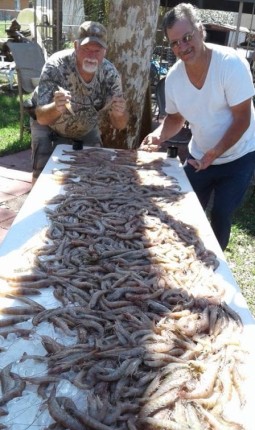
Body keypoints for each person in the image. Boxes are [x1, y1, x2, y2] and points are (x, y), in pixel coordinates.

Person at [140, 3, 255, 251]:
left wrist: (216, 152)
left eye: (187, 37)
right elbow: (174, 119)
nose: (182, 47)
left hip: (238, 156)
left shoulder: (230, 64)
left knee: (222, 214)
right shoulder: (174, 78)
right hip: (199, 156)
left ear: (200, 30)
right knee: (186, 209)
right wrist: (157, 136)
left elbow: (242, 119)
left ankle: (215, 263)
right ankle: (185, 259)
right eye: (174, 43)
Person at [31, 20, 128, 184]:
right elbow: (41, 117)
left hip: (86, 127)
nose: (92, 56)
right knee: (43, 178)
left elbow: (120, 125)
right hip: (49, 125)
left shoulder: (110, 75)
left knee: (93, 177)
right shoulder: (56, 66)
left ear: (105, 51)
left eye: (97, 51)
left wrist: (119, 113)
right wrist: (56, 107)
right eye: (86, 49)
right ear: (76, 46)